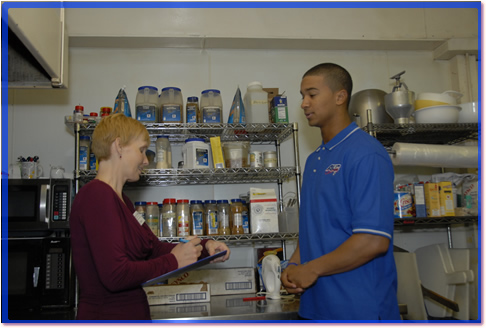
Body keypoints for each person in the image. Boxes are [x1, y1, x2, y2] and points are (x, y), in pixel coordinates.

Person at [70, 113, 230, 320]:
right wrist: (174, 261)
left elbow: (152, 248)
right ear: (118, 146)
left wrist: (204, 248)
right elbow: (116, 275)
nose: (146, 160)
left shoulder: (123, 202)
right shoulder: (96, 195)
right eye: (142, 150)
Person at [281, 63, 400, 320]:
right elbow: (314, 229)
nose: (304, 103)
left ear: (340, 96)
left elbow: (373, 240)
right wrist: (293, 265)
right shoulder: (315, 160)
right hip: (317, 307)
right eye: (303, 96)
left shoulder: (366, 154)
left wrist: (311, 269)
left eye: (312, 94)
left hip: (359, 309)